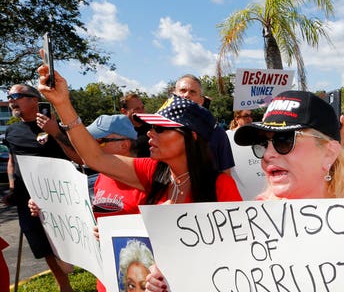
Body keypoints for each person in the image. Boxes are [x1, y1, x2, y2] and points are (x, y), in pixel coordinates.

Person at [145, 90, 344, 291]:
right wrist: (175, 279)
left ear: (329, 153)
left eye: (284, 141)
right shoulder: (241, 227)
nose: (269, 154)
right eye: (263, 144)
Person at [36, 66, 242, 206]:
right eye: (151, 126)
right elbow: (94, 158)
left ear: (192, 137)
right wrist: (62, 103)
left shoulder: (221, 187)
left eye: (161, 128)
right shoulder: (152, 172)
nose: (150, 133)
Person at [29, 114, 144, 292]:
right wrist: (49, 211)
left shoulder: (147, 180)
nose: (90, 147)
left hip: (140, 281)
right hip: (107, 280)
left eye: (99, 141)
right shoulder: (102, 178)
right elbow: (83, 231)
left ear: (124, 144)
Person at [2, 84, 79, 292]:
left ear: (35, 100)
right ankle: (65, 287)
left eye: (17, 96)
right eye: (9, 97)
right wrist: (11, 188)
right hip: (25, 199)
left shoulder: (54, 126)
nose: (11, 100)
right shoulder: (11, 131)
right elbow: (12, 160)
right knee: (42, 246)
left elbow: (78, 157)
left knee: (66, 244)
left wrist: (55, 132)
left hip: (57, 197)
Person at [174, 74, 235, 174]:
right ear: (174, 95)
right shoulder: (161, 129)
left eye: (192, 92)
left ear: (201, 101)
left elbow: (226, 173)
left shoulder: (216, 132)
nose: (186, 95)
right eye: (182, 90)